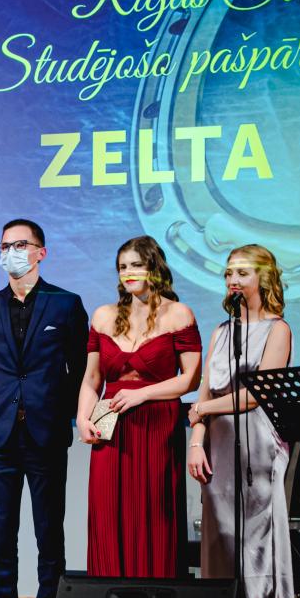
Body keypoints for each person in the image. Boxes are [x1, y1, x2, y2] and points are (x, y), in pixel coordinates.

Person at [0, 219, 88, 598]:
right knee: (1, 535)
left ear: (41, 252)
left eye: (20, 244)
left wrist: (68, 413)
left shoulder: (66, 304)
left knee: (49, 534)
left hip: (45, 432)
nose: (11, 252)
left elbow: (81, 371)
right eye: (5, 245)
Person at [188, 244, 295, 598]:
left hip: (257, 443)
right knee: (220, 535)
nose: (233, 280)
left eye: (242, 272)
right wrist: (196, 440)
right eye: (229, 273)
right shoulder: (221, 331)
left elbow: (253, 396)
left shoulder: (277, 329)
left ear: (262, 278)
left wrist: (202, 410)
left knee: (251, 536)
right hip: (217, 442)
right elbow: (204, 392)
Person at [77, 235, 200, 578]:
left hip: (157, 424)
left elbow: (190, 380)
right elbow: (92, 379)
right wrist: (83, 417)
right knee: (108, 511)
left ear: (154, 268)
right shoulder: (104, 316)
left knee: (154, 512)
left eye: (136, 265)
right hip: (110, 424)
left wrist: (142, 394)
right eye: (122, 267)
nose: (128, 273)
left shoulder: (178, 314)